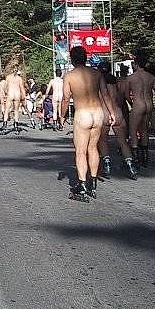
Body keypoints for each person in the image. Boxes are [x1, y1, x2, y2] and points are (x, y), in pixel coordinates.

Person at [61, 46, 116, 201]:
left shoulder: (70, 76)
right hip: (97, 113)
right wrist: (111, 112)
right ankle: (93, 182)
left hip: (83, 113)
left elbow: (66, 98)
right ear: (85, 58)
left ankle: (83, 184)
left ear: (72, 59)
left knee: (80, 151)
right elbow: (105, 94)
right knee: (93, 148)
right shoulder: (97, 74)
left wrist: (62, 116)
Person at [125, 52, 155, 169]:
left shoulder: (131, 78)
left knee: (133, 130)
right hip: (149, 104)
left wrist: (132, 103)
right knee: (144, 130)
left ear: (136, 64)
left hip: (138, 104)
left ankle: (136, 156)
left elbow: (126, 95)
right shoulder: (151, 77)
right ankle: (145, 157)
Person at [98, 62, 136, 180]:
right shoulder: (117, 83)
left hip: (104, 113)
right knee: (123, 141)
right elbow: (121, 100)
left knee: (103, 140)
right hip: (117, 112)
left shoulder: (98, 84)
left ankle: (107, 165)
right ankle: (130, 166)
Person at [3, 66, 27, 133]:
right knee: (16, 111)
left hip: (10, 93)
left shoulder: (8, 77)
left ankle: (5, 125)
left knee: (7, 110)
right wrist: (24, 97)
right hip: (17, 94)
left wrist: (5, 93)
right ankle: (16, 126)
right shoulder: (19, 78)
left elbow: (5, 87)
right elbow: (22, 88)